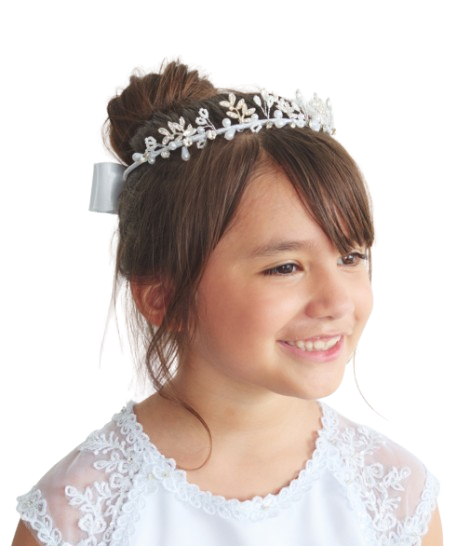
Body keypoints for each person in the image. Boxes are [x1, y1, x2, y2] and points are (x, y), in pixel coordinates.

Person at [12, 55, 443, 545]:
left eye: (350, 257)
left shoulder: (394, 497)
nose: (336, 301)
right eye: (285, 267)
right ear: (163, 298)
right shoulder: (79, 515)